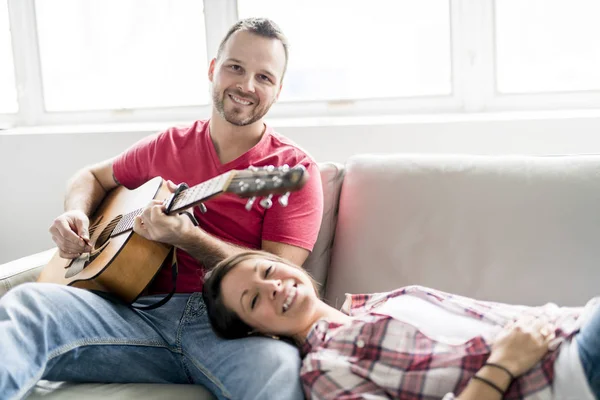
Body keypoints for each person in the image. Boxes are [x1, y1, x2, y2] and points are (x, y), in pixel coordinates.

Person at [0, 18, 324, 400]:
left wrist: (189, 239)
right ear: (212, 69)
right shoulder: (169, 145)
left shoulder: (293, 171)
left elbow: (280, 274)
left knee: (280, 374)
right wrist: (77, 214)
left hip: (232, 329)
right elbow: (90, 176)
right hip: (136, 313)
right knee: (27, 304)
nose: (247, 86)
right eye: (235, 67)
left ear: (279, 90)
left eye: (264, 77)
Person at [202, 250, 600, 400]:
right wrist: (504, 364)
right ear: (259, 332)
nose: (272, 287)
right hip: (566, 376)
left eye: (268, 270)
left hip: (577, 322)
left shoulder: (381, 302)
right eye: (253, 299)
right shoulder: (324, 372)